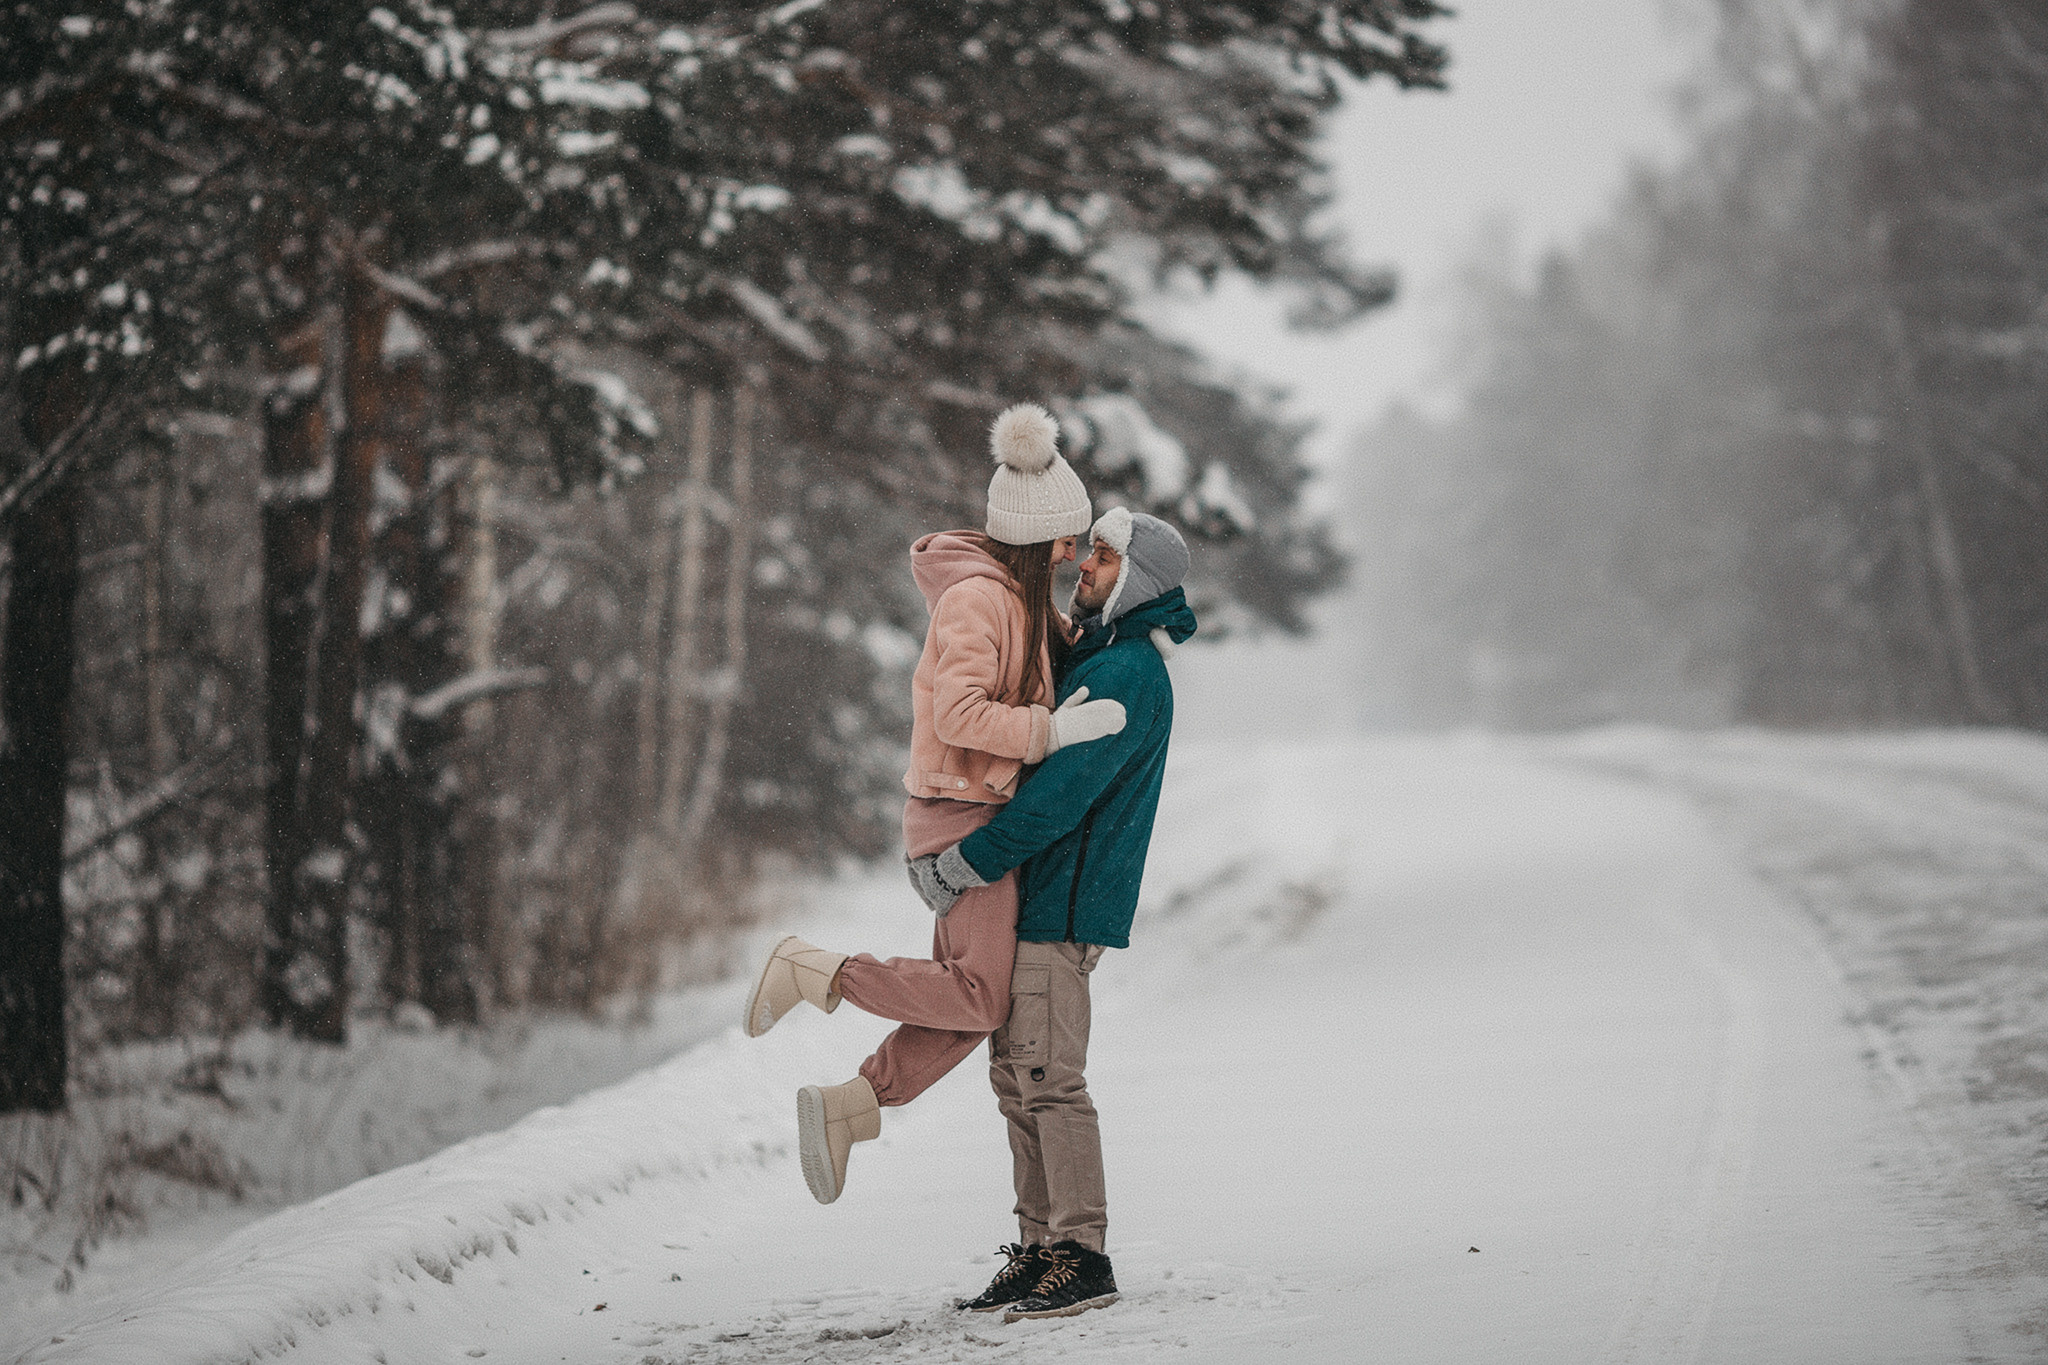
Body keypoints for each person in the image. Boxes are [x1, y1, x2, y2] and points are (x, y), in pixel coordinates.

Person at [741, 402, 1129, 1206]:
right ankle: (819, 971)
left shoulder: (1021, 603)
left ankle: (852, 1105)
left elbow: (1067, 650)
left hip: (981, 808)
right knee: (983, 992)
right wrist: (1051, 733)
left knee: (975, 995)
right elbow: (957, 715)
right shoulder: (977, 602)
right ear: (1030, 540)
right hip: (959, 813)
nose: (1070, 553)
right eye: (1064, 539)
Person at [907, 505, 1196, 1323]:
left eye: (1102, 556)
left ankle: (1081, 1252)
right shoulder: (1102, 654)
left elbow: (1061, 798)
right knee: (1016, 1078)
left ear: (1133, 575)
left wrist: (966, 863)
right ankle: (1039, 1248)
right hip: (1038, 897)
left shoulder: (1128, 671)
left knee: (1047, 1080)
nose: (1084, 566)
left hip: (1059, 901)